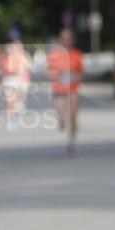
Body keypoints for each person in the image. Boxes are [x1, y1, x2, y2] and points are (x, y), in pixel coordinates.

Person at [47, 28, 83, 156]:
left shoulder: (77, 54)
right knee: (61, 121)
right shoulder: (54, 55)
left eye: (69, 38)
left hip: (72, 90)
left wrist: (74, 77)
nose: (67, 41)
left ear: (72, 40)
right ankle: (62, 123)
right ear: (60, 40)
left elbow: (80, 74)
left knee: (73, 116)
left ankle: (71, 142)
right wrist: (57, 76)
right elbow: (49, 73)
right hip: (59, 91)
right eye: (64, 39)